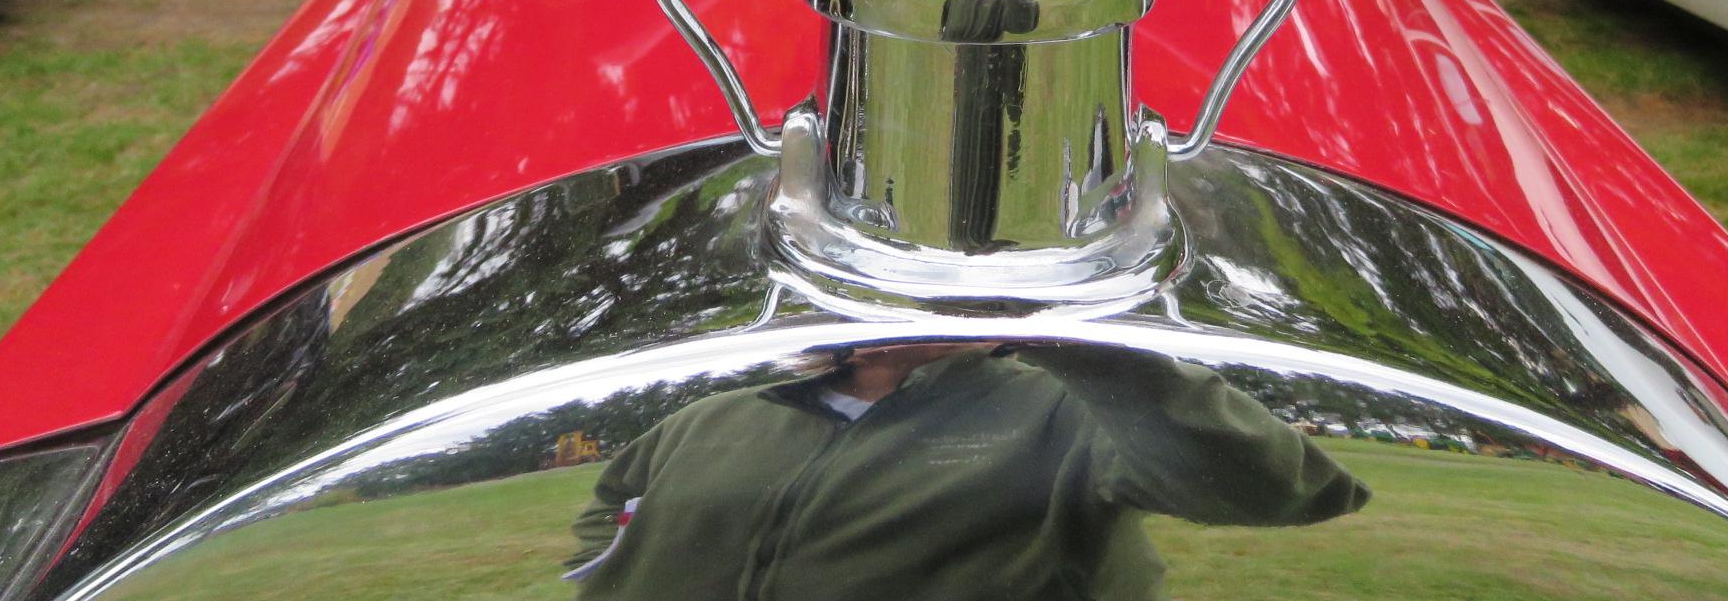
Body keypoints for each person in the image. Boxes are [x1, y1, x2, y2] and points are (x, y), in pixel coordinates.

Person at [565, 339, 1368, 600]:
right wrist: (607, 566)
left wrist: (1071, 332)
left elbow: (1283, 491)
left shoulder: (1066, 405)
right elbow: (611, 504)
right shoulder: (725, 408)